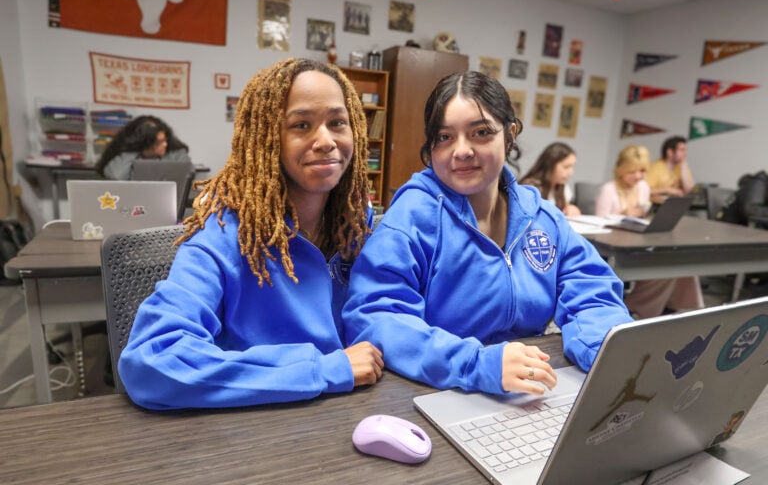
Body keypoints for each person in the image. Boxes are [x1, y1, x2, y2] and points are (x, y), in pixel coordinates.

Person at [342, 70, 633, 397]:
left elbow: (592, 291)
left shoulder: (542, 217)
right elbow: (378, 316)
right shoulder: (412, 216)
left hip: (532, 385)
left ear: (509, 135)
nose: (461, 151)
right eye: (444, 137)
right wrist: (476, 363)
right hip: (439, 390)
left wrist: (602, 352)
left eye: (480, 132)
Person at [118, 58, 383, 410]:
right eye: (301, 125)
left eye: (337, 123)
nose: (325, 141)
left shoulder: (359, 225)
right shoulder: (224, 233)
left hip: (353, 414)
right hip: (255, 429)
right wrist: (321, 369)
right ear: (266, 137)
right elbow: (152, 362)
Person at [596, 144, 704, 319]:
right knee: (664, 269)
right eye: (632, 172)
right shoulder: (609, 190)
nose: (638, 177)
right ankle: (639, 310)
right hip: (614, 248)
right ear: (620, 170)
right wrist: (623, 214)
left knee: (680, 262)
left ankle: (686, 310)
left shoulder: (643, 188)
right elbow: (598, 224)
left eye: (642, 171)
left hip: (639, 242)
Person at [95, 115, 191, 180]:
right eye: (158, 142)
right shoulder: (128, 155)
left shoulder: (176, 152)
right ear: (144, 144)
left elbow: (188, 173)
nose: (165, 144)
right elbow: (116, 175)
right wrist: (136, 150)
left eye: (165, 140)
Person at [519, 142, 582, 217]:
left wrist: (571, 209)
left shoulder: (562, 187)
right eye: (566, 167)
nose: (571, 173)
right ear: (550, 165)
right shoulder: (530, 187)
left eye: (572, 167)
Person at [646, 135, 694, 203]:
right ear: (670, 152)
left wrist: (683, 170)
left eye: (685, 150)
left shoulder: (681, 166)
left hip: (674, 204)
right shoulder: (655, 168)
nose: (685, 153)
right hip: (656, 206)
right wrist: (667, 190)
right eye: (681, 150)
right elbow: (643, 190)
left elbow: (688, 190)